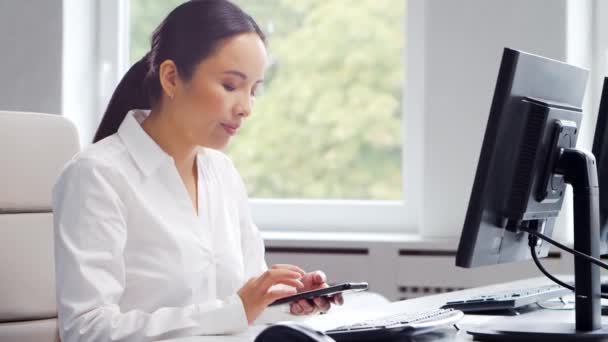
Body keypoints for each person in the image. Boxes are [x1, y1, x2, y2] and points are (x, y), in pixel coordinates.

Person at [52, 1, 342, 341]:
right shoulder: (96, 176)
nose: (246, 108)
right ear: (171, 78)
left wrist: (287, 300)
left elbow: (242, 304)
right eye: (231, 86)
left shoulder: (222, 172)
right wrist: (235, 310)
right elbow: (87, 330)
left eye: (253, 90)